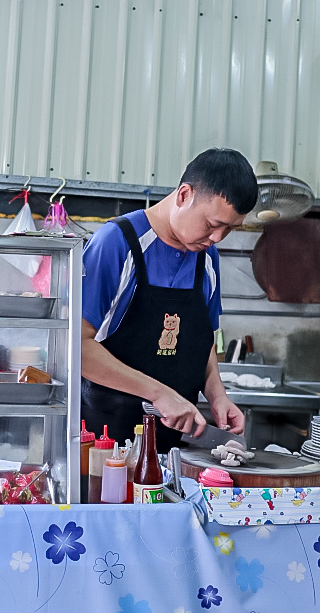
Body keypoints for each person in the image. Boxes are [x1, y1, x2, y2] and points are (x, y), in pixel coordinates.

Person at [80, 148, 259, 452]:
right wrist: (159, 394)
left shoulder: (207, 258)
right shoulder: (117, 243)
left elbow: (202, 342)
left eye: (229, 229)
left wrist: (216, 394)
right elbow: (78, 348)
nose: (217, 238)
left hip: (177, 448)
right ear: (184, 195)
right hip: (107, 444)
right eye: (213, 224)